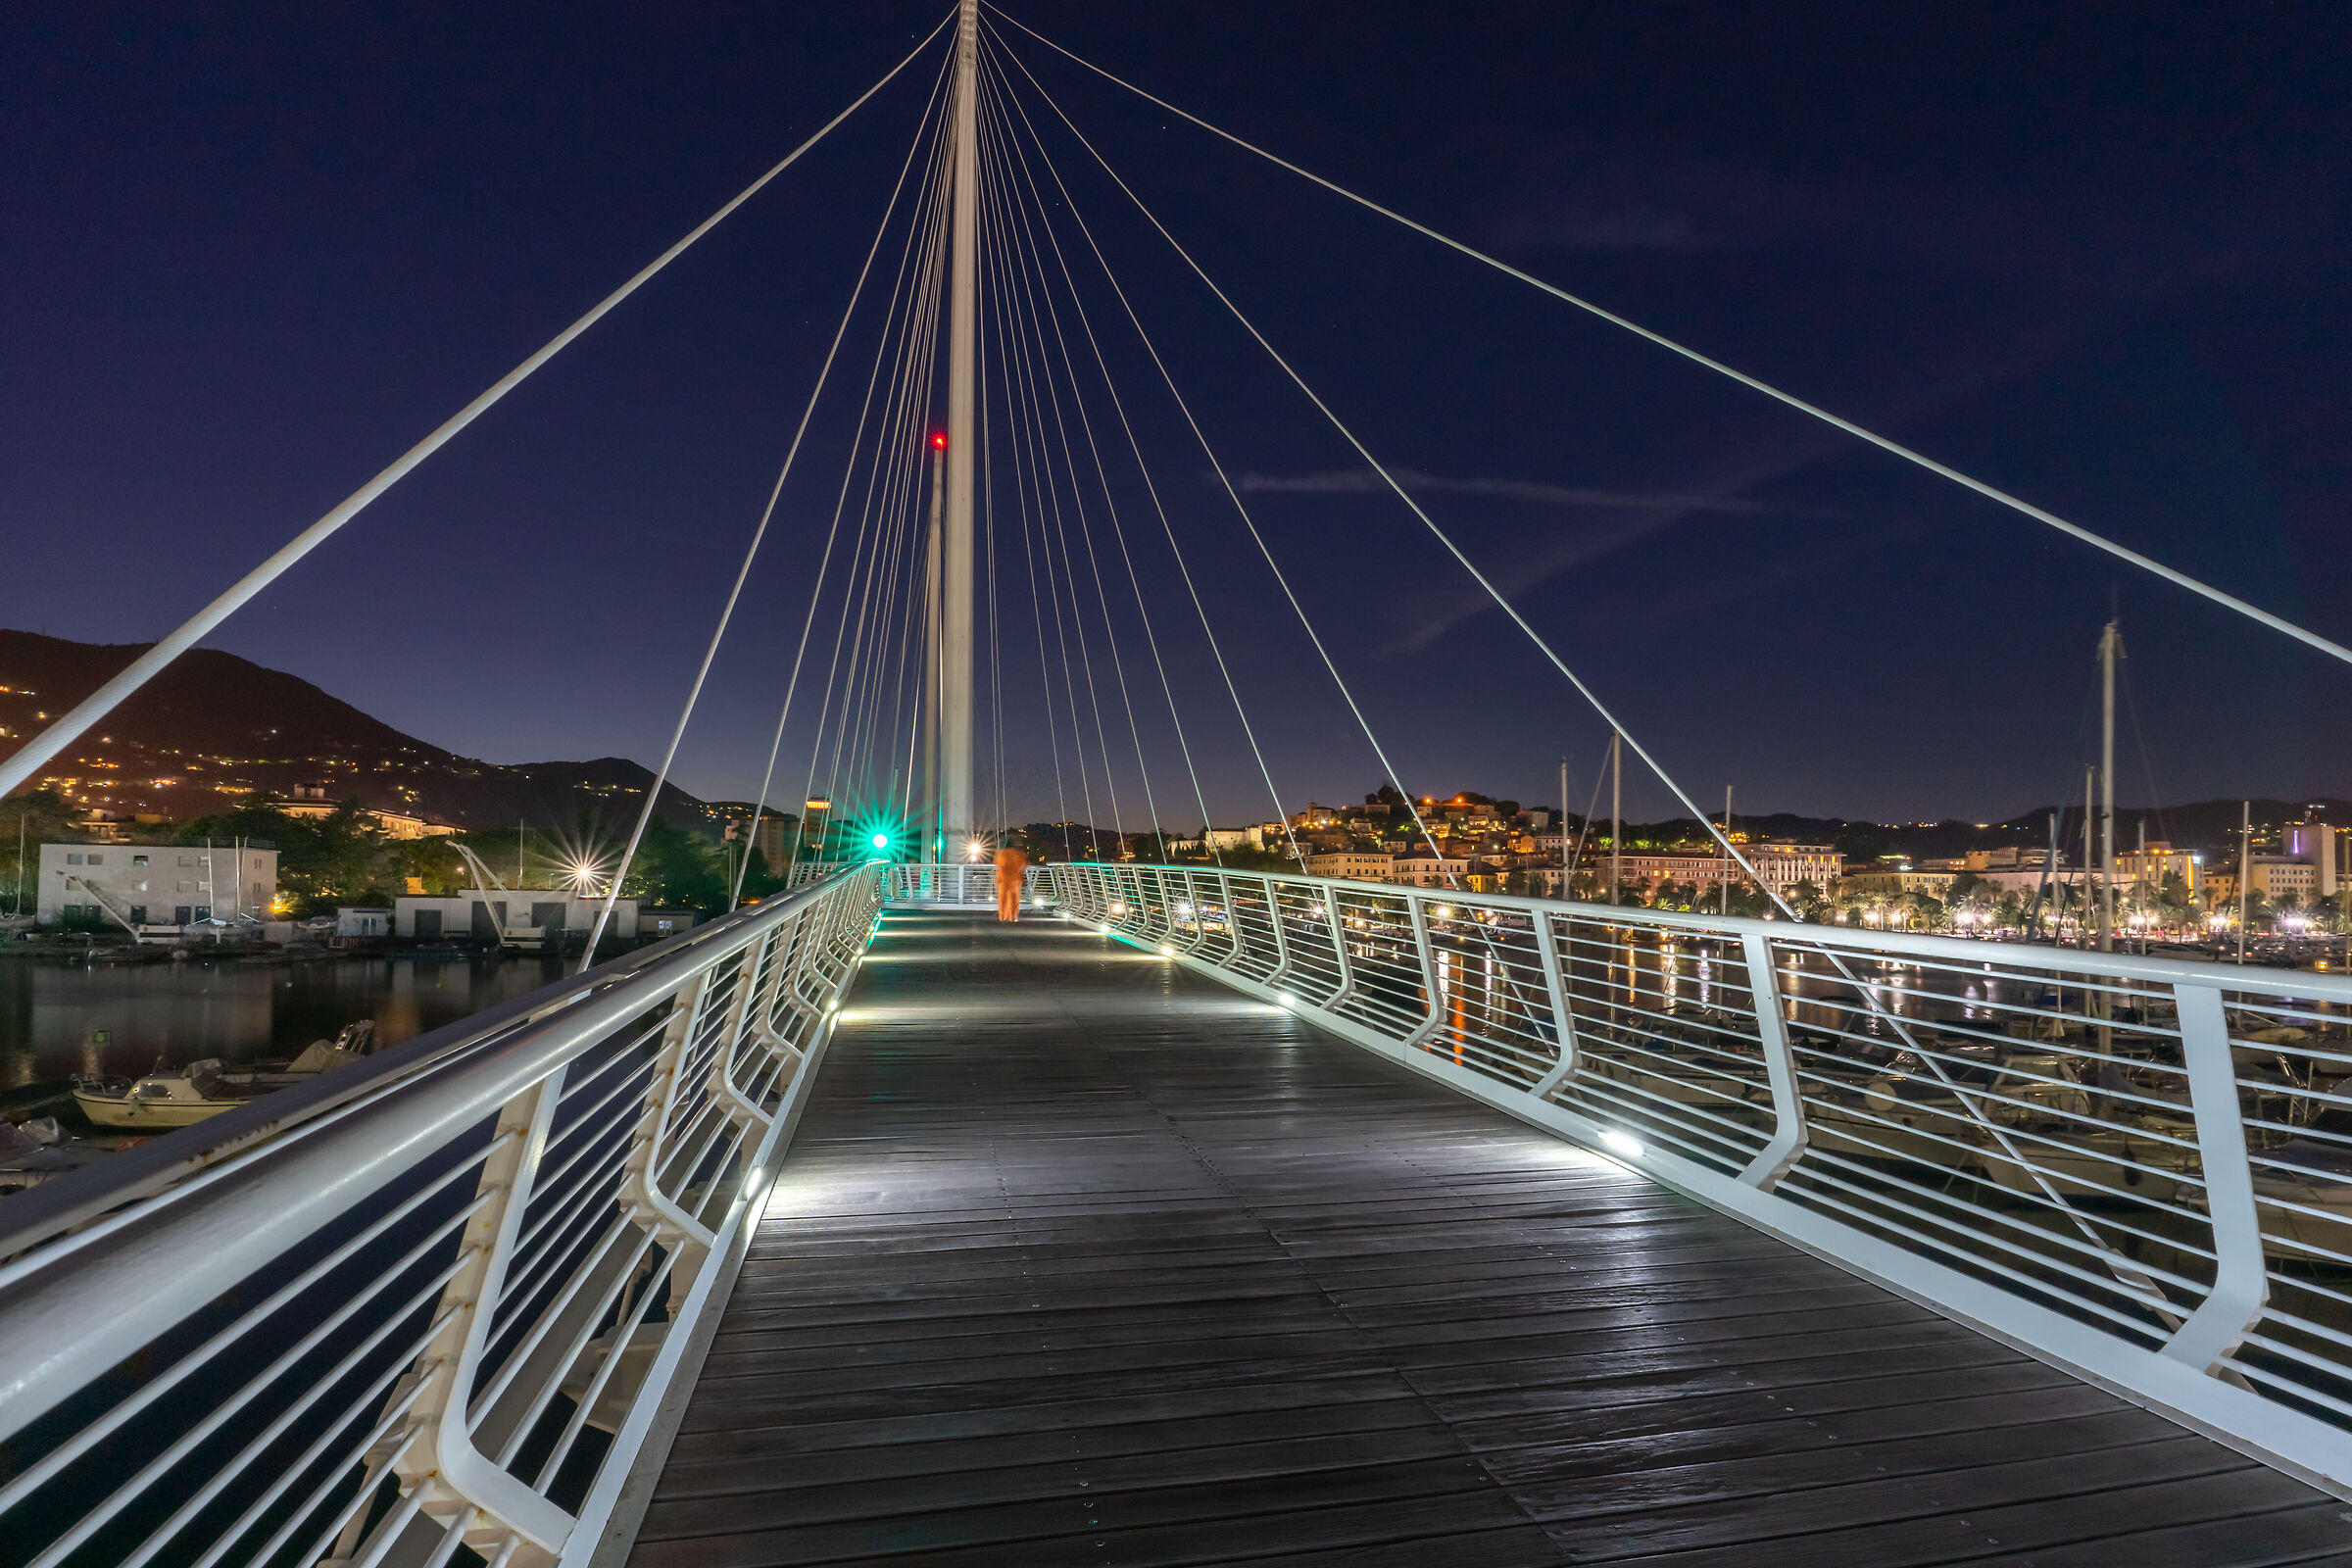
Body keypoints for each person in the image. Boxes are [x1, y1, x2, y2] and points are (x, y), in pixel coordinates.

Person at [994, 840, 1031, 922]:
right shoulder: (1016, 853)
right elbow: (1024, 863)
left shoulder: (1001, 853)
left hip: (1003, 878)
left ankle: (1002, 916)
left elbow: (997, 863)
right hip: (1014, 879)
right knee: (1014, 898)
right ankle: (1012, 917)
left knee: (1003, 898)